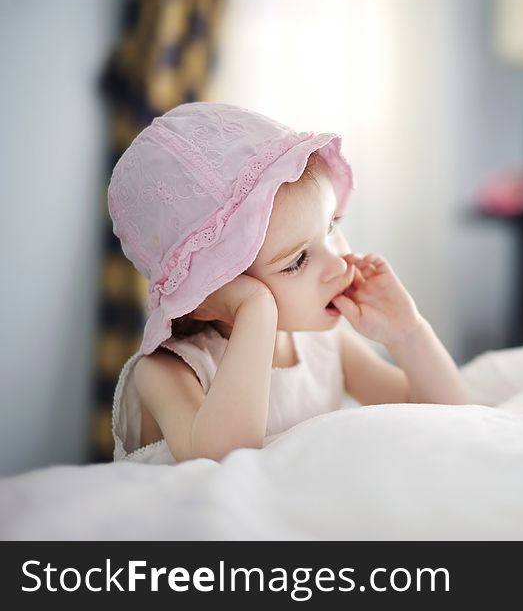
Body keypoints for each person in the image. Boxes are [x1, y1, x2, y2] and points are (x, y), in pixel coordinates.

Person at [108, 102, 465, 464]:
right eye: (297, 261)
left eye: (331, 227)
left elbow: (443, 414)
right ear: (206, 295)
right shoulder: (170, 370)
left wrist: (407, 334)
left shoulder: (324, 346)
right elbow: (224, 464)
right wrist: (256, 309)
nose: (338, 263)